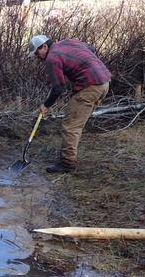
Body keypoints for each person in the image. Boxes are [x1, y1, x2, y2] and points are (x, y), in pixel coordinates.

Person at [29, 34, 111, 173]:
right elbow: (90, 48)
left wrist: (46, 105)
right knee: (76, 124)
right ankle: (69, 155)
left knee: (70, 126)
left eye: (37, 53)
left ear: (44, 46)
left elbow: (58, 87)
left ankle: (67, 164)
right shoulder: (68, 42)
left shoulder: (52, 58)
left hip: (90, 87)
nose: (37, 57)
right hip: (104, 82)